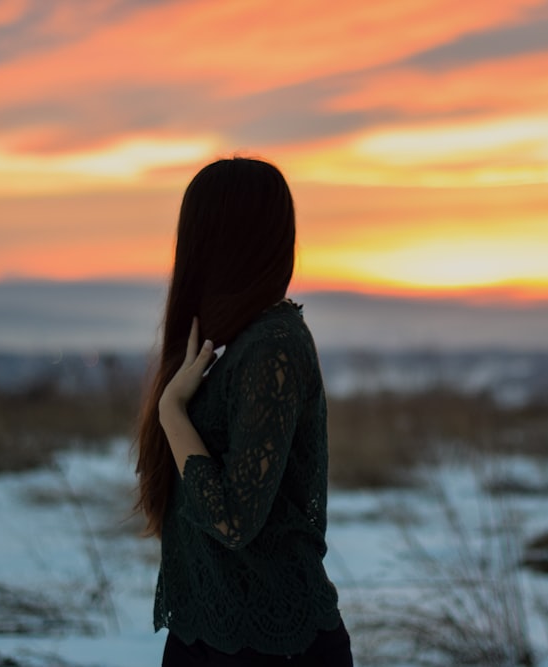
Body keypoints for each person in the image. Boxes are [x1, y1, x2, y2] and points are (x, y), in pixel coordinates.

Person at [134, 157, 352, 666]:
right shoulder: (228, 345)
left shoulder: (273, 346)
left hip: (276, 642)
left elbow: (234, 521)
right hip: (204, 631)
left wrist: (173, 412)